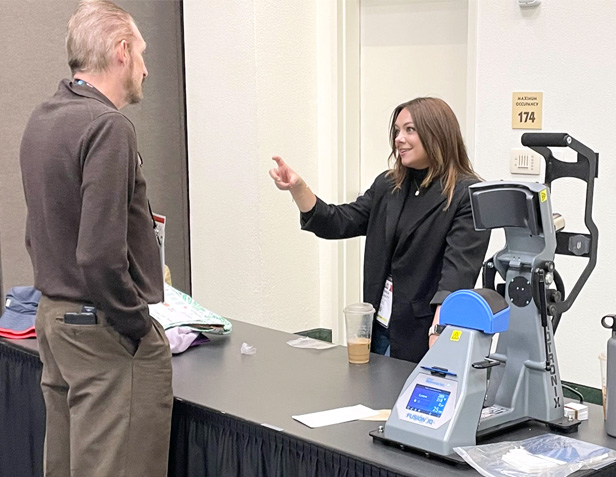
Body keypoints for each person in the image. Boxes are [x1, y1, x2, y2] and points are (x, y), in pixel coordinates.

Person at [19, 1, 172, 475]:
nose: (146, 70)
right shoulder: (108, 127)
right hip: (101, 326)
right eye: (142, 55)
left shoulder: (43, 119)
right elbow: (99, 255)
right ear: (121, 51)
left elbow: (40, 232)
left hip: (55, 319)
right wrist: (135, 324)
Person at [269, 97, 490, 363]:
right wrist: (298, 188)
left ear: (437, 133)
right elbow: (339, 221)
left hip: (424, 333)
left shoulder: (467, 195)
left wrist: (439, 330)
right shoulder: (388, 185)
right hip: (378, 328)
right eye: (397, 130)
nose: (399, 138)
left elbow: (457, 274)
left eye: (410, 129)